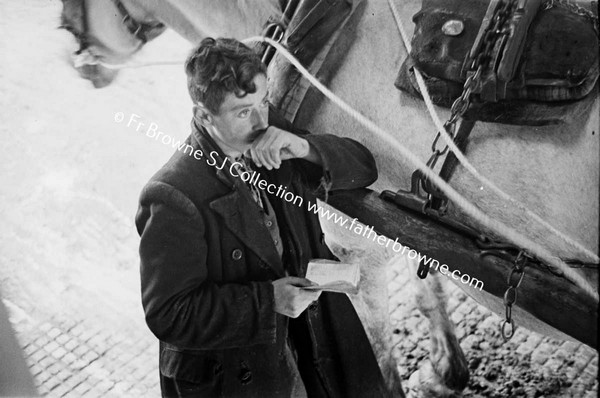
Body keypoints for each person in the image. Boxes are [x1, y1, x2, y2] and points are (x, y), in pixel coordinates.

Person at [136, 37, 390, 398]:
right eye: (242, 112)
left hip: (313, 342)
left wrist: (306, 148)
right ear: (203, 116)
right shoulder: (172, 194)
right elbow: (170, 314)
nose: (260, 121)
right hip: (242, 373)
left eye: (264, 102)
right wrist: (267, 302)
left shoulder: (270, 139)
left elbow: (364, 167)